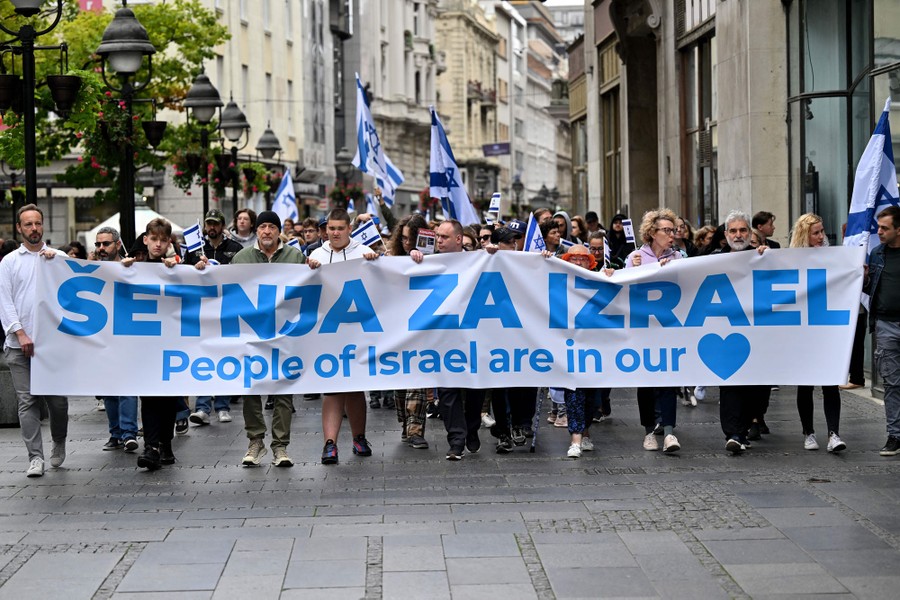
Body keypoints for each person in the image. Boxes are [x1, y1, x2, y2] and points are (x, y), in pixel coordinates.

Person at [228, 210, 307, 467]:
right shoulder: (242, 258)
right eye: (262, 227)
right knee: (251, 388)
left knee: (283, 389)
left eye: (272, 227)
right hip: (252, 335)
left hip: (285, 334)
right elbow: (226, 289)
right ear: (256, 230)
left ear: (278, 231)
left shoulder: (295, 257)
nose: (267, 231)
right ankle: (255, 441)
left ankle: (280, 446)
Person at [0, 204, 68, 477]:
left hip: (52, 346)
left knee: (58, 402)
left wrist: (58, 265)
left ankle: (59, 441)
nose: (34, 228)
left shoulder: (59, 257)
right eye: (28, 224)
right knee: (27, 402)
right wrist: (20, 333)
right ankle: (35, 457)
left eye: (37, 223)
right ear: (19, 228)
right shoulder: (9, 262)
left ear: (43, 225)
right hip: (19, 345)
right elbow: (5, 302)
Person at [309, 208, 379, 464]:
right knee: (333, 388)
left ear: (350, 229)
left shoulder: (364, 252)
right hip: (328, 332)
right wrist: (309, 269)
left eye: (340, 228)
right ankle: (330, 444)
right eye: (331, 228)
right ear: (325, 230)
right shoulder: (315, 255)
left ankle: (359, 438)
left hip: (358, 331)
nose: (335, 233)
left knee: (355, 387)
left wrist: (375, 263)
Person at [417, 219, 485, 460]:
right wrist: (413, 258)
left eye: (444, 237)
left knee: (475, 387)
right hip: (443, 336)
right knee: (447, 390)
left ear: (458, 239)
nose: (439, 241)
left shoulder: (478, 259)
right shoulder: (429, 261)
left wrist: (494, 254)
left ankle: (472, 428)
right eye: (437, 236)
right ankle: (456, 440)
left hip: (472, 334)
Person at [121, 218, 183, 470]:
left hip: (171, 341)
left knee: (167, 397)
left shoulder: (177, 265)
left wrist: (180, 267)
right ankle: (151, 446)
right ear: (145, 239)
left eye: (163, 240)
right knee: (148, 396)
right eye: (154, 239)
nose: (158, 244)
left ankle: (165, 443)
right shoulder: (135, 266)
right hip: (145, 343)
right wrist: (123, 269)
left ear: (169, 242)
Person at [712, 211, 769, 453]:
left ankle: (744, 429)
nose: (738, 235)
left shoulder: (762, 257)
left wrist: (769, 259)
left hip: (757, 333)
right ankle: (733, 433)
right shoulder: (712, 260)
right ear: (726, 234)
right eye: (733, 230)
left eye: (743, 230)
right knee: (730, 383)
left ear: (750, 233)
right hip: (726, 332)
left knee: (756, 388)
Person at [625, 209, 682, 453]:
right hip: (643, 329)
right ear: (652, 232)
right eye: (666, 230)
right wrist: (634, 270)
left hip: (668, 328)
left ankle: (669, 432)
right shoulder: (636, 257)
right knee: (646, 381)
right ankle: (649, 431)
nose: (672, 235)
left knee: (668, 379)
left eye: (673, 230)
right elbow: (624, 290)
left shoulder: (678, 257)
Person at [789, 213, 846, 452]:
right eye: (816, 233)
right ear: (805, 235)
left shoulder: (832, 257)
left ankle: (834, 433)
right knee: (806, 384)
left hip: (825, 328)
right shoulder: (790, 260)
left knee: (830, 383)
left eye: (822, 231)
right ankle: (808, 432)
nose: (821, 236)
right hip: (803, 330)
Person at [184, 209, 245, 426]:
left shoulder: (235, 249)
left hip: (227, 310)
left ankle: (222, 406)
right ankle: (202, 407)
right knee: (204, 357)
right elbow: (183, 276)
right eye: (209, 224)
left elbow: (242, 276)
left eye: (215, 224)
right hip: (203, 310)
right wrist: (195, 269)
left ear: (222, 226)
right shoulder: (195, 250)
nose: (212, 227)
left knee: (225, 356)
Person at [91, 227, 139, 453]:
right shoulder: (92, 269)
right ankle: (115, 433)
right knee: (108, 387)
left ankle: (129, 433)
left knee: (127, 385)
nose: (101, 248)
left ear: (118, 245)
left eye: (106, 244)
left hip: (127, 335)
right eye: (98, 244)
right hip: (102, 337)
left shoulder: (131, 267)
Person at [557, 245, 608, 458]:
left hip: (596, 349)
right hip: (570, 347)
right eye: (574, 258)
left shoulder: (600, 281)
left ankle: (585, 431)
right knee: (574, 394)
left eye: (583, 259)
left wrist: (612, 276)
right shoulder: (559, 282)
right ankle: (576, 438)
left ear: (590, 262)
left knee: (592, 398)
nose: (578, 262)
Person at [865, 206, 900, 456]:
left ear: (899, 229)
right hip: (886, 326)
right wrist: (864, 279)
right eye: (878, 227)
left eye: (884, 228)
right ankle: (895, 435)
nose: (879, 232)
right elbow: (870, 288)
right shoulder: (876, 254)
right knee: (892, 383)